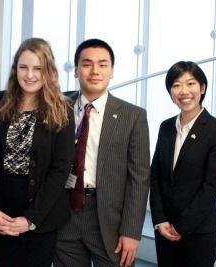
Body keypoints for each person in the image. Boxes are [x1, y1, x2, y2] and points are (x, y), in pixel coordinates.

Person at [0, 37, 75, 267]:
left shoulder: (63, 110)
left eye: (37, 68)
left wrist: (30, 219)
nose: (29, 75)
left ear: (48, 71)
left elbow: (60, 170)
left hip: (38, 216)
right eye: (23, 67)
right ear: (15, 69)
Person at [54, 38, 150, 267]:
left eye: (103, 64)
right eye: (87, 64)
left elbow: (139, 177)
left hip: (110, 219)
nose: (95, 71)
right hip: (64, 214)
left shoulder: (132, 116)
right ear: (76, 70)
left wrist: (132, 231)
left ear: (112, 71)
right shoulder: (57, 107)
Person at [149, 61, 216, 267]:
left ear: (202, 88)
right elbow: (155, 175)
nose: (183, 91)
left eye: (190, 84)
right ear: (170, 92)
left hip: (199, 231)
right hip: (165, 230)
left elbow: (211, 186)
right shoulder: (166, 127)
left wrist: (181, 226)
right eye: (176, 85)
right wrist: (160, 220)